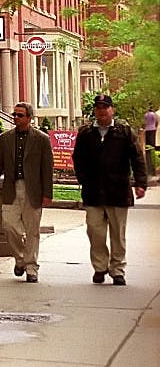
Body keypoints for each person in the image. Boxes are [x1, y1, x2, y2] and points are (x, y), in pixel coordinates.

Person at [73, 94, 148, 286]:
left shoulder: (124, 132)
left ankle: (117, 270)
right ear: (95, 111)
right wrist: (83, 179)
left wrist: (140, 183)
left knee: (118, 235)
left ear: (112, 110)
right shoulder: (86, 134)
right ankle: (100, 267)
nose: (102, 111)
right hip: (93, 192)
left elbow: (137, 158)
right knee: (95, 232)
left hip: (118, 191)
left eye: (105, 107)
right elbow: (78, 159)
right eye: (98, 108)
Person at [0, 102, 54, 283]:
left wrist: (48, 193)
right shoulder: (5, 139)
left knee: (32, 231)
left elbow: (47, 168)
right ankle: (21, 259)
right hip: (11, 189)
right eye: (14, 114)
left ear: (29, 118)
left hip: (33, 190)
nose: (15, 118)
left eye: (20, 115)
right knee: (9, 228)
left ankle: (31, 268)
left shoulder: (41, 139)